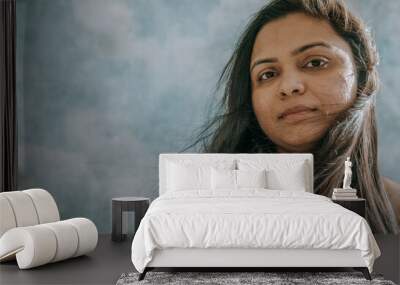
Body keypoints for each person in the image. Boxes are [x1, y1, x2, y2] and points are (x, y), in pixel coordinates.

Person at [186, 0, 400, 234]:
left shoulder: (397, 207)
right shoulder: (207, 209)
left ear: (362, 76)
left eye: (316, 62)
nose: (289, 86)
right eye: (267, 74)